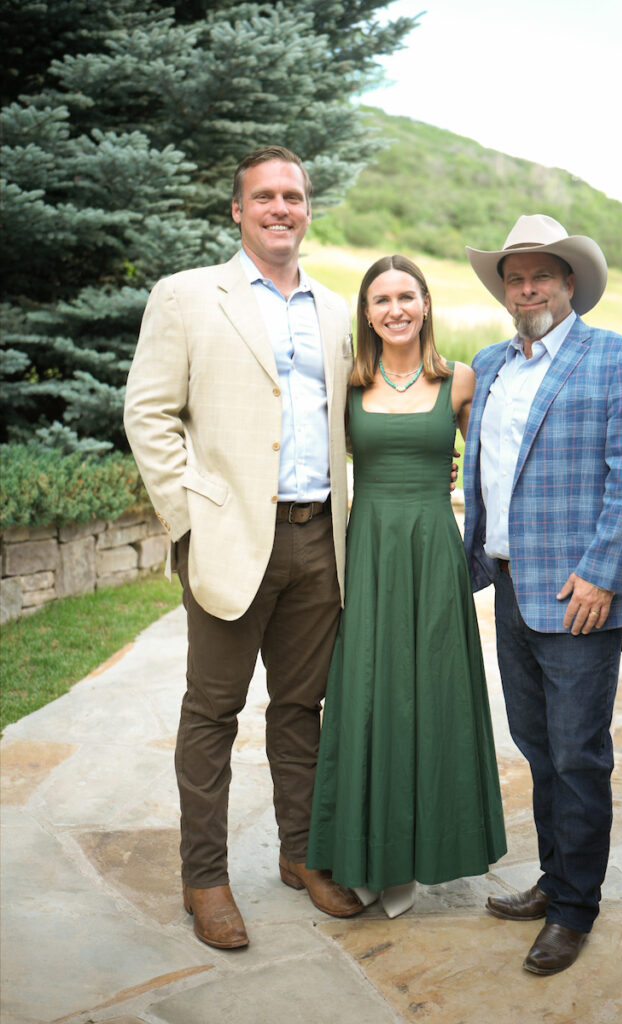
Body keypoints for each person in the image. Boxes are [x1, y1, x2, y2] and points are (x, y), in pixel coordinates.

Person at [124, 146, 365, 951]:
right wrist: (189, 521)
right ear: (237, 211)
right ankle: (205, 879)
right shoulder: (189, 296)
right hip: (229, 541)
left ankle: (303, 856)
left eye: (293, 196)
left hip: (317, 542)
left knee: (302, 712)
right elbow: (149, 414)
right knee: (212, 713)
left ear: (307, 208)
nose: (280, 208)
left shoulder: (337, 312)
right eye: (263, 196)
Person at [463, 215, 622, 974]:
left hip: (580, 592)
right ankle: (555, 881)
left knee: (579, 756)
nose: (526, 288)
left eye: (540, 275)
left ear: (569, 283)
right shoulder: (489, 365)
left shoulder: (615, 359)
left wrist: (603, 572)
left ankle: (576, 909)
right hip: (510, 587)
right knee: (539, 749)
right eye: (514, 278)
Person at [306, 255, 507, 918]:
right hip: (366, 550)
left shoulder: (460, 381)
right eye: (381, 299)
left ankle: (425, 850)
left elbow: (491, 474)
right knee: (367, 690)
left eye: (406, 296)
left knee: (432, 692)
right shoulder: (348, 381)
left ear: (425, 304)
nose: (394, 309)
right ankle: (366, 850)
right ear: (366, 313)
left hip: (430, 550)